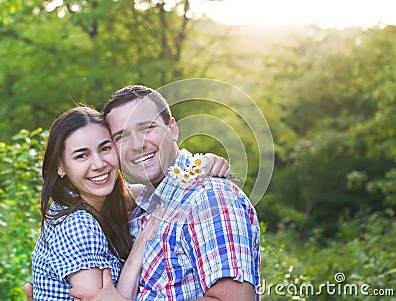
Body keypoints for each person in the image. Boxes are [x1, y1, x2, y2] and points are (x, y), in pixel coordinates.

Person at [70, 85, 261, 300]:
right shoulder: (141, 206)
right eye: (121, 137)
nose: (136, 145)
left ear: (172, 129)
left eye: (147, 129)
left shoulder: (209, 199)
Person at [26, 106, 230, 301]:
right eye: (82, 155)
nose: (98, 164)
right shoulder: (77, 223)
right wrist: (137, 253)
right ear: (60, 166)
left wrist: (203, 162)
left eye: (105, 148)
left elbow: (162, 189)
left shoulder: (108, 201)